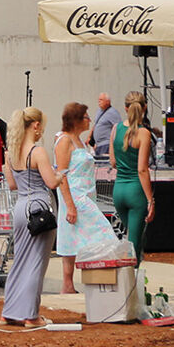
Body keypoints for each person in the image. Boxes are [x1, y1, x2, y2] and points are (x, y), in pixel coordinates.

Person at [2, 106, 60, 326]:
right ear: (35, 126)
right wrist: (61, 175)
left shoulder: (12, 152)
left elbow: (12, 184)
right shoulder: (37, 152)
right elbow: (51, 182)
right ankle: (31, 315)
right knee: (36, 263)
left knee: (20, 262)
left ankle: (9, 311)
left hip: (20, 208)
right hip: (39, 206)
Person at [54, 102, 116, 291]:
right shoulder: (64, 140)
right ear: (77, 120)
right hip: (74, 196)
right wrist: (70, 205)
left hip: (86, 195)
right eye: (87, 117)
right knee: (103, 231)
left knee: (72, 236)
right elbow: (61, 175)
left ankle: (69, 284)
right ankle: (81, 280)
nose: (90, 120)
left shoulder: (80, 141)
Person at [111, 91, 156, 263]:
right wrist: (151, 199)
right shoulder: (143, 133)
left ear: (125, 107)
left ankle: (130, 282)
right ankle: (131, 285)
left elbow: (113, 161)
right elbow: (142, 169)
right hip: (136, 191)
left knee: (130, 237)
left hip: (119, 189)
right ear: (144, 107)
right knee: (135, 244)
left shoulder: (116, 129)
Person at [90, 92, 121, 162]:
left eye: (101, 100)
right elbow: (96, 125)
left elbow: (118, 128)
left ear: (107, 102)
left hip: (106, 145)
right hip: (98, 145)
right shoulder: (99, 111)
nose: (99, 101)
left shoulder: (113, 113)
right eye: (98, 100)